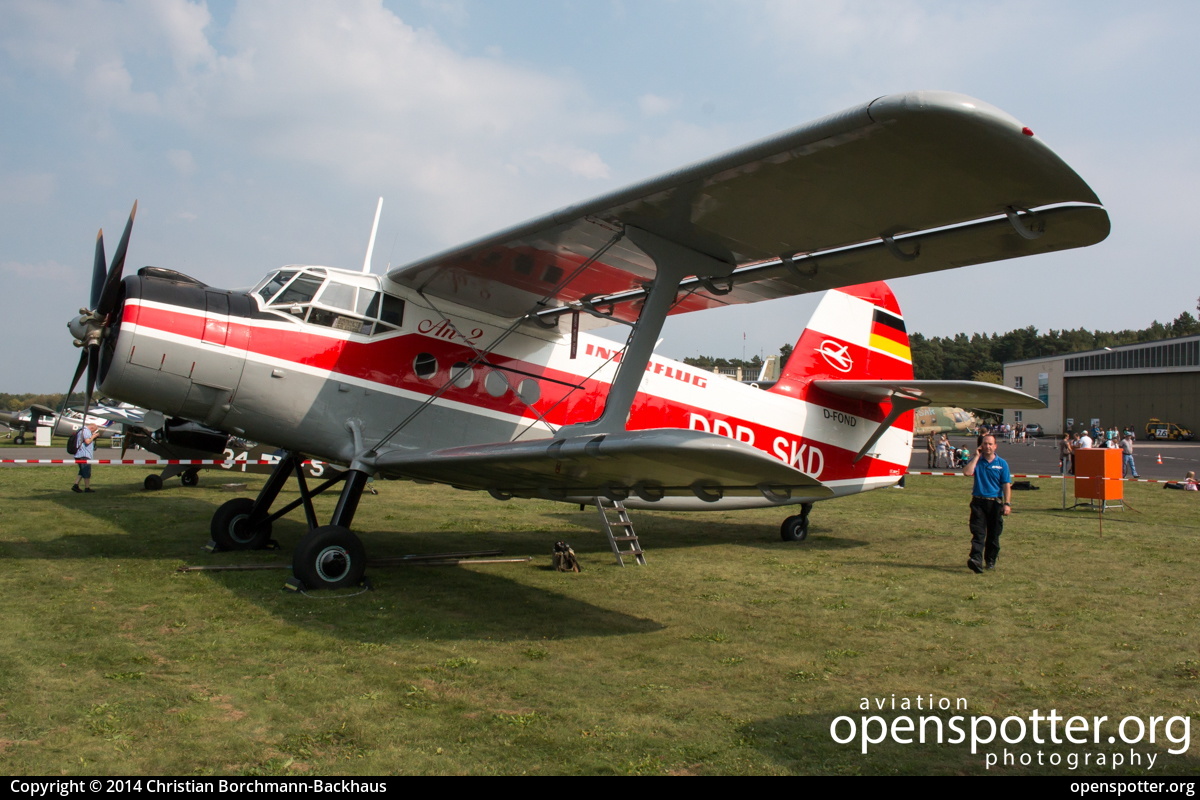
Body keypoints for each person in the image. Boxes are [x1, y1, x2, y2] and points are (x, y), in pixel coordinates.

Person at [963, 433, 1011, 573]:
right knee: (978, 533)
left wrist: (1007, 504)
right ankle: (976, 560)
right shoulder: (977, 461)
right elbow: (966, 472)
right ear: (981, 446)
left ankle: (990, 560)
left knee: (993, 535)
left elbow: (1006, 485)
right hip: (978, 502)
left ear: (995, 446)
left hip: (995, 503)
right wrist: (976, 456)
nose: (987, 446)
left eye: (990, 444)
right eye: (985, 444)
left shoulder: (1002, 464)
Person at [72, 423, 99, 493]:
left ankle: (76, 485)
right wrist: (93, 436)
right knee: (86, 471)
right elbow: (87, 441)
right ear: (92, 428)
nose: (93, 433)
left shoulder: (80, 430)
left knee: (82, 471)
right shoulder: (86, 431)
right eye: (93, 431)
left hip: (79, 454)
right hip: (84, 455)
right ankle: (87, 487)